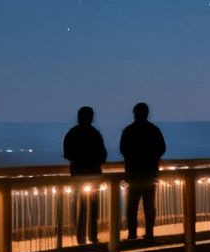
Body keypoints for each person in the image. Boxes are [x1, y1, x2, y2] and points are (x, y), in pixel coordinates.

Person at [118, 102, 167, 241]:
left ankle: (132, 233)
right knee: (149, 205)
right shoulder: (154, 130)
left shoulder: (129, 130)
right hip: (150, 173)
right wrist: (152, 157)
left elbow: (123, 149)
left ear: (135, 113)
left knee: (132, 206)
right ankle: (149, 233)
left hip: (133, 173)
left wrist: (132, 158)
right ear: (147, 113)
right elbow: (162, 148)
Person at [61, 106, 108, 243]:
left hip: (78, 174)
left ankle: (80, 237)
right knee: (93, 207)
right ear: (91, 117)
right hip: (94, 174)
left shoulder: (72, 133)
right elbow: (103, 155)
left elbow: (67, 153)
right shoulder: (95, 134)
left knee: (80, 207)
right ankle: (93, 236)